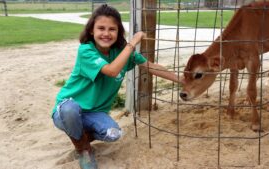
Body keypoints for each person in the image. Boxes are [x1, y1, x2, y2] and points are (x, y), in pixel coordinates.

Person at [51, 4, 182, 169]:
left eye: (112, 29)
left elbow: (150, 66)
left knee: (114, 134)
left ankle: (79, 135)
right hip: (68, 108)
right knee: (69, 110)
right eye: (101, 28)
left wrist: (181, 79)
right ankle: (84, 150)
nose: (106, 33)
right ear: (92, 30)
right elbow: (112, 71)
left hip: (95, 112)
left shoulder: (123, 53)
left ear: (119, 32)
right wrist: (133, 42)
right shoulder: (86, 51)